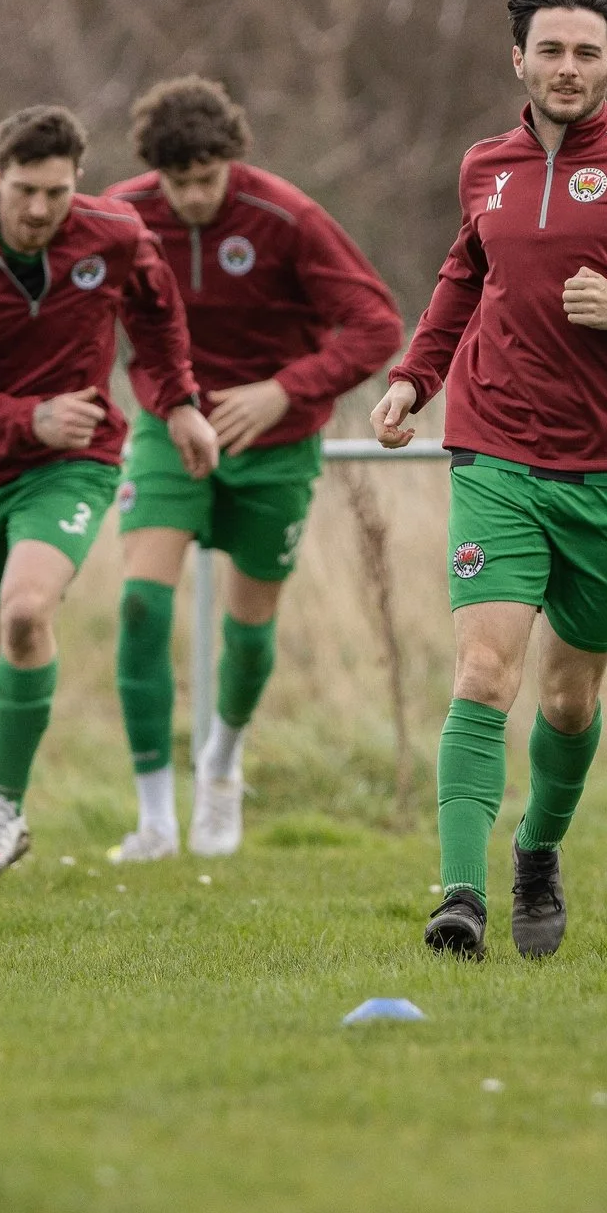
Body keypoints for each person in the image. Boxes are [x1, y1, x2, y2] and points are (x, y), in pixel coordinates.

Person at [371, 0, 607, 960]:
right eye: (550, 50)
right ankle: (460, 896)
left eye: (586, 52)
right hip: (493, 451)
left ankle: (536, 850)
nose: (566, 68)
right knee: (482, 669)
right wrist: (415, 379)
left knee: (568, 696)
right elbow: (464, 275)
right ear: (519, 60)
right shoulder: (484, 166)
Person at [0, 104, 218, 881]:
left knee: (27, 611)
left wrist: (177, 402)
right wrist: (25, 418)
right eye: (25, 192)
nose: (40, 210)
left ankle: (1, 807)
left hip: (73, 463)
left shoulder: (112, 235)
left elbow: (158, 313)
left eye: (56, 192)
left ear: (77, 182)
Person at [101, 77, 402, 861]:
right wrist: (169, 403)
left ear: (232, 162)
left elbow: (376, 324)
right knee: (139, 606)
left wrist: (283, 391)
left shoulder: (287, 217)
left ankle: (222, 767)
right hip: (173, 431)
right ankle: (156, 816)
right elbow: (93, 319)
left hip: (276, 444)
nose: (195, 197)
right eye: (180, 182)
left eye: (208, 178)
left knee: (250, 625)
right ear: (156, 174)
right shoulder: (121, 216)